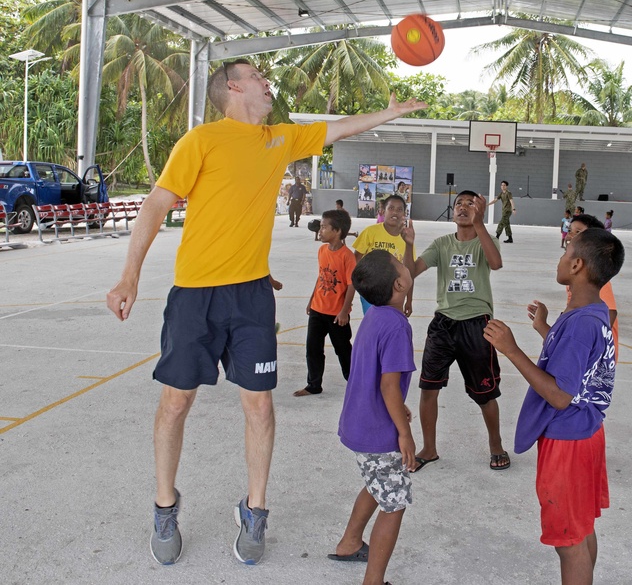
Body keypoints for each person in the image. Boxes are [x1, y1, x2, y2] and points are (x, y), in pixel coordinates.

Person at [104, 58, 425, 566]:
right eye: (257, 76)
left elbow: (337, 128)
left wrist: (387, 113)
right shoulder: (201, 141)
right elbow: (155, 205)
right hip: (195, 294)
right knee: (175, 402)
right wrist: (130, 275)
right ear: (233, 87)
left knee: (259, 405)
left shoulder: (279, 138)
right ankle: (165, 506)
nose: (267, 81)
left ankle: (255, 510)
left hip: (251, 295)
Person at [483, 228, 624, 585]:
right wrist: (545, 327)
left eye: (565, 252)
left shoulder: (581, 323)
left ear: (576, 265)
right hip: (586, 432)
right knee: (581, 529)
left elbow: (560, 394)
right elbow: (577, 362)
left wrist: (510, 349)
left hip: (568, 441)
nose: (560, 258)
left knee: (569, 541)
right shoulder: (592, 312)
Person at [400, 191, 510, 472]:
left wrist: (481, 224)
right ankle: (429, 448)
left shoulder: (485, 241)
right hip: (443, 325)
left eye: (470, 204)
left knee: (485, 393)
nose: (463, 207)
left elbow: (496, 263)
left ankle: (496, 444)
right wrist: (409, 245)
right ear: (453, 212)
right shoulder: (441, 244)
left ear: (480, 210)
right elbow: (409, 273)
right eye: (459, 203)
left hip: (477, 324)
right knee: (428, 388)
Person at [328, 250, 416, 585]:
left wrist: (398, 408)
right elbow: (389, 385)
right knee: (394, 504)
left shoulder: (376, 315)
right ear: (399, 283)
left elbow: (375, 376)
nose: (406, 266)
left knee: (377, 483)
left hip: (361, 421)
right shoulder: (397, 326)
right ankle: (373, 580)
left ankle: (350, 542)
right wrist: (404, 432)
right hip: (379, 432)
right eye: (401, 265)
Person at [534, 213, 620, 353]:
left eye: (578, 232)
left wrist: (592, 346)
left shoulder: (596, 277)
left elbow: (609, 313)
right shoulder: (576, 275)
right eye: (570, 231)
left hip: (594, 359)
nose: (569, 236)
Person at [294, 210, 356, 397]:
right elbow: (321, 276)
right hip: (317, 309)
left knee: (343, 351)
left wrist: (344, 311)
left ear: (337, 231)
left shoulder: (347, 256)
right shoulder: (322, 251)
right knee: (313, 349)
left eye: (323, 227)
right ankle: (314, 385)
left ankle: (356, 382)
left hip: (337, 314)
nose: (319, 231)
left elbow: (352, 285)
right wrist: (312, 299)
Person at [354, 194, 413, 316]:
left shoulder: (406, 238)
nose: (395, 212)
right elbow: (355, 261)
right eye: (391, 208)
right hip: (371, 290)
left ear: (404, 214)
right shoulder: (371, 232)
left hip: (393, 293)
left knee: (389, 323)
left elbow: (409, 272)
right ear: (383, 211)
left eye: (399, 209)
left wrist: (409, 300)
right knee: (374, 320)